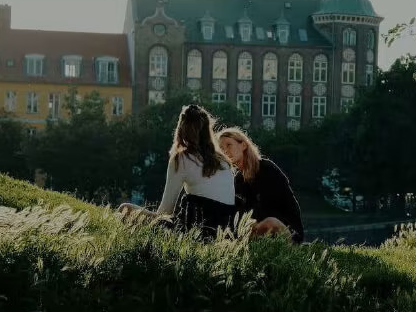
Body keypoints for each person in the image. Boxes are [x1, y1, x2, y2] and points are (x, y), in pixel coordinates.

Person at [118, 104, 236, 238]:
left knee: (125, 209)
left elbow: (165, 212)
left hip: (194, 234)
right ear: (207, 130)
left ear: (181, 128)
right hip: (223, 235)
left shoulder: (182, 159)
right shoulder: (224, 162)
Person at [217, 127, 304, 243]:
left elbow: (273, 207)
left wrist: (253, 224)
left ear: (243, 145)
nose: (225, 151)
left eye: (229, 145)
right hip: (258, 230)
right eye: (221, 148)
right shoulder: (237, 180)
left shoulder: (267, 168)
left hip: (286, 228)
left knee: (269, 222)